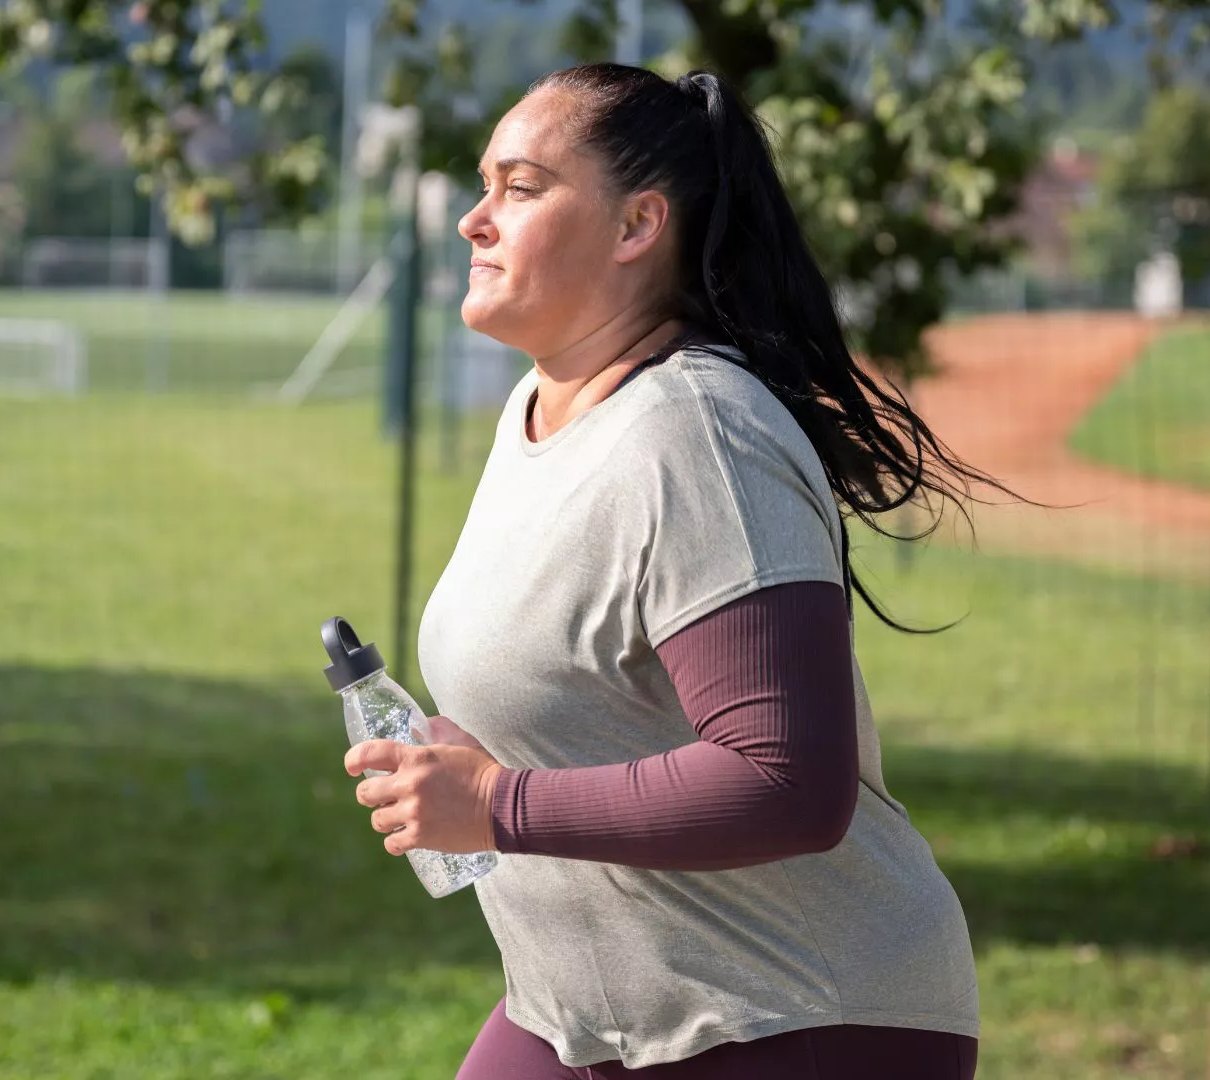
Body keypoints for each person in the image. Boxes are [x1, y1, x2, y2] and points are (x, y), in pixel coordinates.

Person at [343, 62, 1002, 1079]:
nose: (476, 219)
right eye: (483, 187)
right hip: (586, 1018)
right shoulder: (542, 408)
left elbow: (788, 779)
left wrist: (500, 805)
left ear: (636, 225)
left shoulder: (696, 433)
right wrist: (484, 750)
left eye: (520, 189)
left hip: (801, 1021)